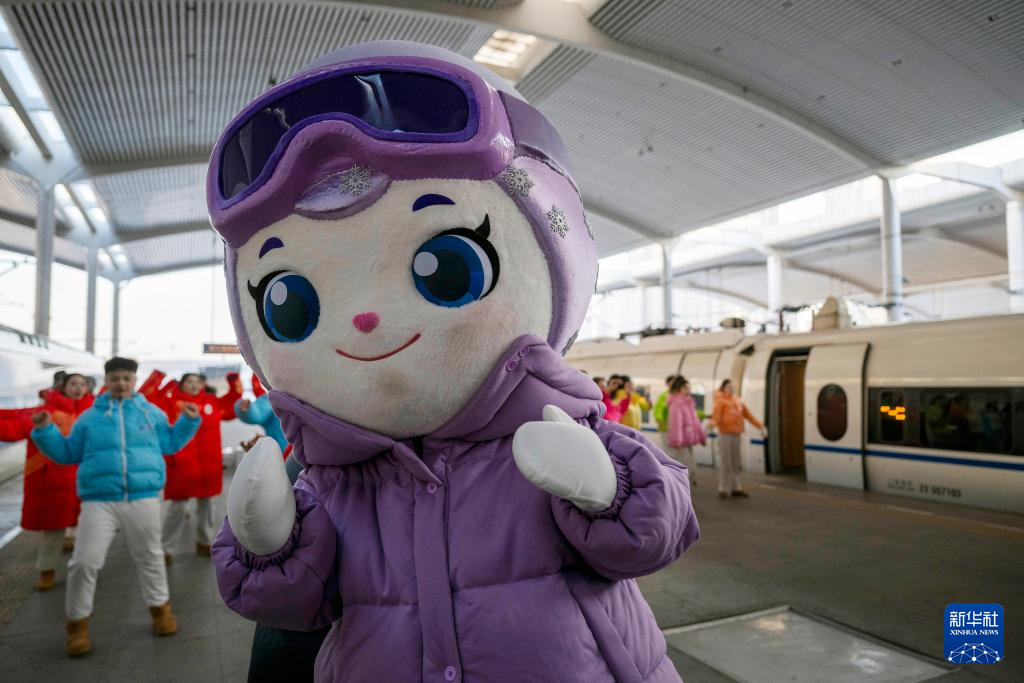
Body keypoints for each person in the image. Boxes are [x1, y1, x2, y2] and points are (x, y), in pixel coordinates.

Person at [30, 356, 201, 657]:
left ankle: (161, 610)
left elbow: (171, 443)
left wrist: (188, 421)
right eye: (115, 379)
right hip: (99, 500)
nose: (121, 383)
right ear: (106, 381)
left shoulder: (151, 413)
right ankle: (77, 625)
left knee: (150, 556)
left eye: (126, 378)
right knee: (84, 562)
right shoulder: (89, 418)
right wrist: (45, 431)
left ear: (134, 380)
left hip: (143, 496)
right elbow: (68, 453)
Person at [0, 373, 93, 590]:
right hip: (54, 481)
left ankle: (84, 568)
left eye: (82, 384)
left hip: (86, 478)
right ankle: (47, 570)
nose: (78, 388)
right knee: (53, 529)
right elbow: (16, 428)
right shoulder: (47, 413)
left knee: (88, 526)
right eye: (73, 384)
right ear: (63, 387)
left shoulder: (92, 412)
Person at [161, 373, 225, 562]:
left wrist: (232, 381)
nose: (194, 385)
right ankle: (165, 548)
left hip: (208, 463)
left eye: (198, 381)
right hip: (182, 463)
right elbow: (152, 399)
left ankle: (204, 541)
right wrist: (167, 384)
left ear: (204, 384)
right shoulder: (171, 403)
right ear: (181, 384)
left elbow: (231, 407)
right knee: (178, 507)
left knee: (207, 505)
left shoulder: (211, 402)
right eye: (189, 381)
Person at [710, 378, 766, 499]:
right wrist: (709, 427)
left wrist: (760, 426)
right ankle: (723, 488)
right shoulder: (720, 400)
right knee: (726, 462)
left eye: (732, 386)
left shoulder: (738, 400)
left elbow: (748, 415)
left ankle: (736, 488)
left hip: (736, 434)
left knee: (736, 462)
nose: (731, 388)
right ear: (723, 388)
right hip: (724, 434)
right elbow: (716, 417)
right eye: (729, 386)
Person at [665, 376, 704, 485]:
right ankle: (681, 493)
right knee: (685, 468)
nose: (689, 389)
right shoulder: (677, 403)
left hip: (687, 440)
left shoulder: (688, 402)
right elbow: (675, 424)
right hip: (681, 442)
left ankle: (685, 493)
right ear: (679, 388)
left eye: (689, 387)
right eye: (686, 387)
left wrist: (701, 436)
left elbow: (695, 421)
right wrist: (677, 440)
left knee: (690, 467)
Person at [653, 375, 679, 449]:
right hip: (665, 428)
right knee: (668, 450)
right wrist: (659, 420)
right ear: (668, 384)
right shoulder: (664, 395)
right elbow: (658, 409)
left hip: (675, 428)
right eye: (673, 382)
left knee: (675, 451)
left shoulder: (678, 395)